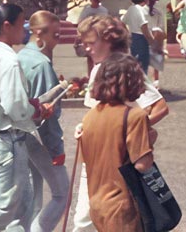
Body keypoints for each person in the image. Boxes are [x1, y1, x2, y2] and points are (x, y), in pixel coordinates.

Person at [72, 15, 169, 232]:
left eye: (90, 43)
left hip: (117, 161)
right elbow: (96, 113)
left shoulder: (125, 67)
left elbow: (160, 106)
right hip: (97, 155)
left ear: (108, 40)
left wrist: (133, 132)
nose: (86, 48)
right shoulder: (99, 68)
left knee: (94, 220)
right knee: (85, 220)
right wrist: (85, 127)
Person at [0, 3, 54, 232]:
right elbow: (15, 108)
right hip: (7, 141)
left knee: (22, 207)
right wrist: (37, 111)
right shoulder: (8, 60)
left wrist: (29, 106)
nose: (25, 28)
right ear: (7, 26)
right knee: (3, 210)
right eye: (21, 22)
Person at [77, 52, 155, 232]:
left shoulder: (90, 117)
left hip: (97, 204)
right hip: (123, 205)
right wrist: (148, 143)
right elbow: (142, 165)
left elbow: (89, 158)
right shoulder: (135, 116)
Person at [17, 10, 70, 232]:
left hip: (19, 136)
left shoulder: (20, 57)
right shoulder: (40, 64)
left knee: (33, 197)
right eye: (55, 35)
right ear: (39, 34)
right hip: (38, 138)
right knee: (61, 194)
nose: (58, 40)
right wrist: (56, 148)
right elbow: (45, 115)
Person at [76, 0, 109, 74]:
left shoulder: (104, 10)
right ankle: (90, 75)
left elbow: (107, 23)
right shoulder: (86, 10)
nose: (96, 1)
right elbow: (80, 22)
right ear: (91, 0)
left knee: (102, 57)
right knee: (90, 57)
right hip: (89, 37)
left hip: (101, 37)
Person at [124, 0, 151, 73]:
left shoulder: (131, 9)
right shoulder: (140, 9)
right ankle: (142, 82)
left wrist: (127, 34)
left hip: (133, 37)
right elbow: (143, 25)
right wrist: (150, 39)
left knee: (134, 60)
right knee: (143, 62)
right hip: (141, 38)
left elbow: (122, 21)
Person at [145, 0, 167, 86]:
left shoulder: (158, 8)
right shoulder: (142, 8)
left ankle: (156, 80)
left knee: (157, 56)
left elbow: (160, 24)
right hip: (144, 35)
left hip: (156, 35)